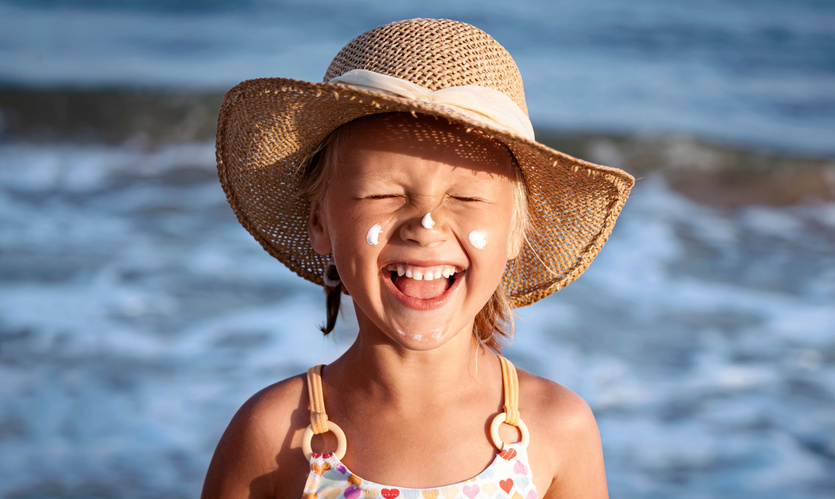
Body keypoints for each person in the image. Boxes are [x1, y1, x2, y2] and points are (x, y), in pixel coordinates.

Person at [203, 18, 633, 499]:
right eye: (384, 194)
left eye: (466, 198)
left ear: (515, 229)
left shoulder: (556, 430)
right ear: (320, 222)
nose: (425, 226)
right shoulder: (274, 436)